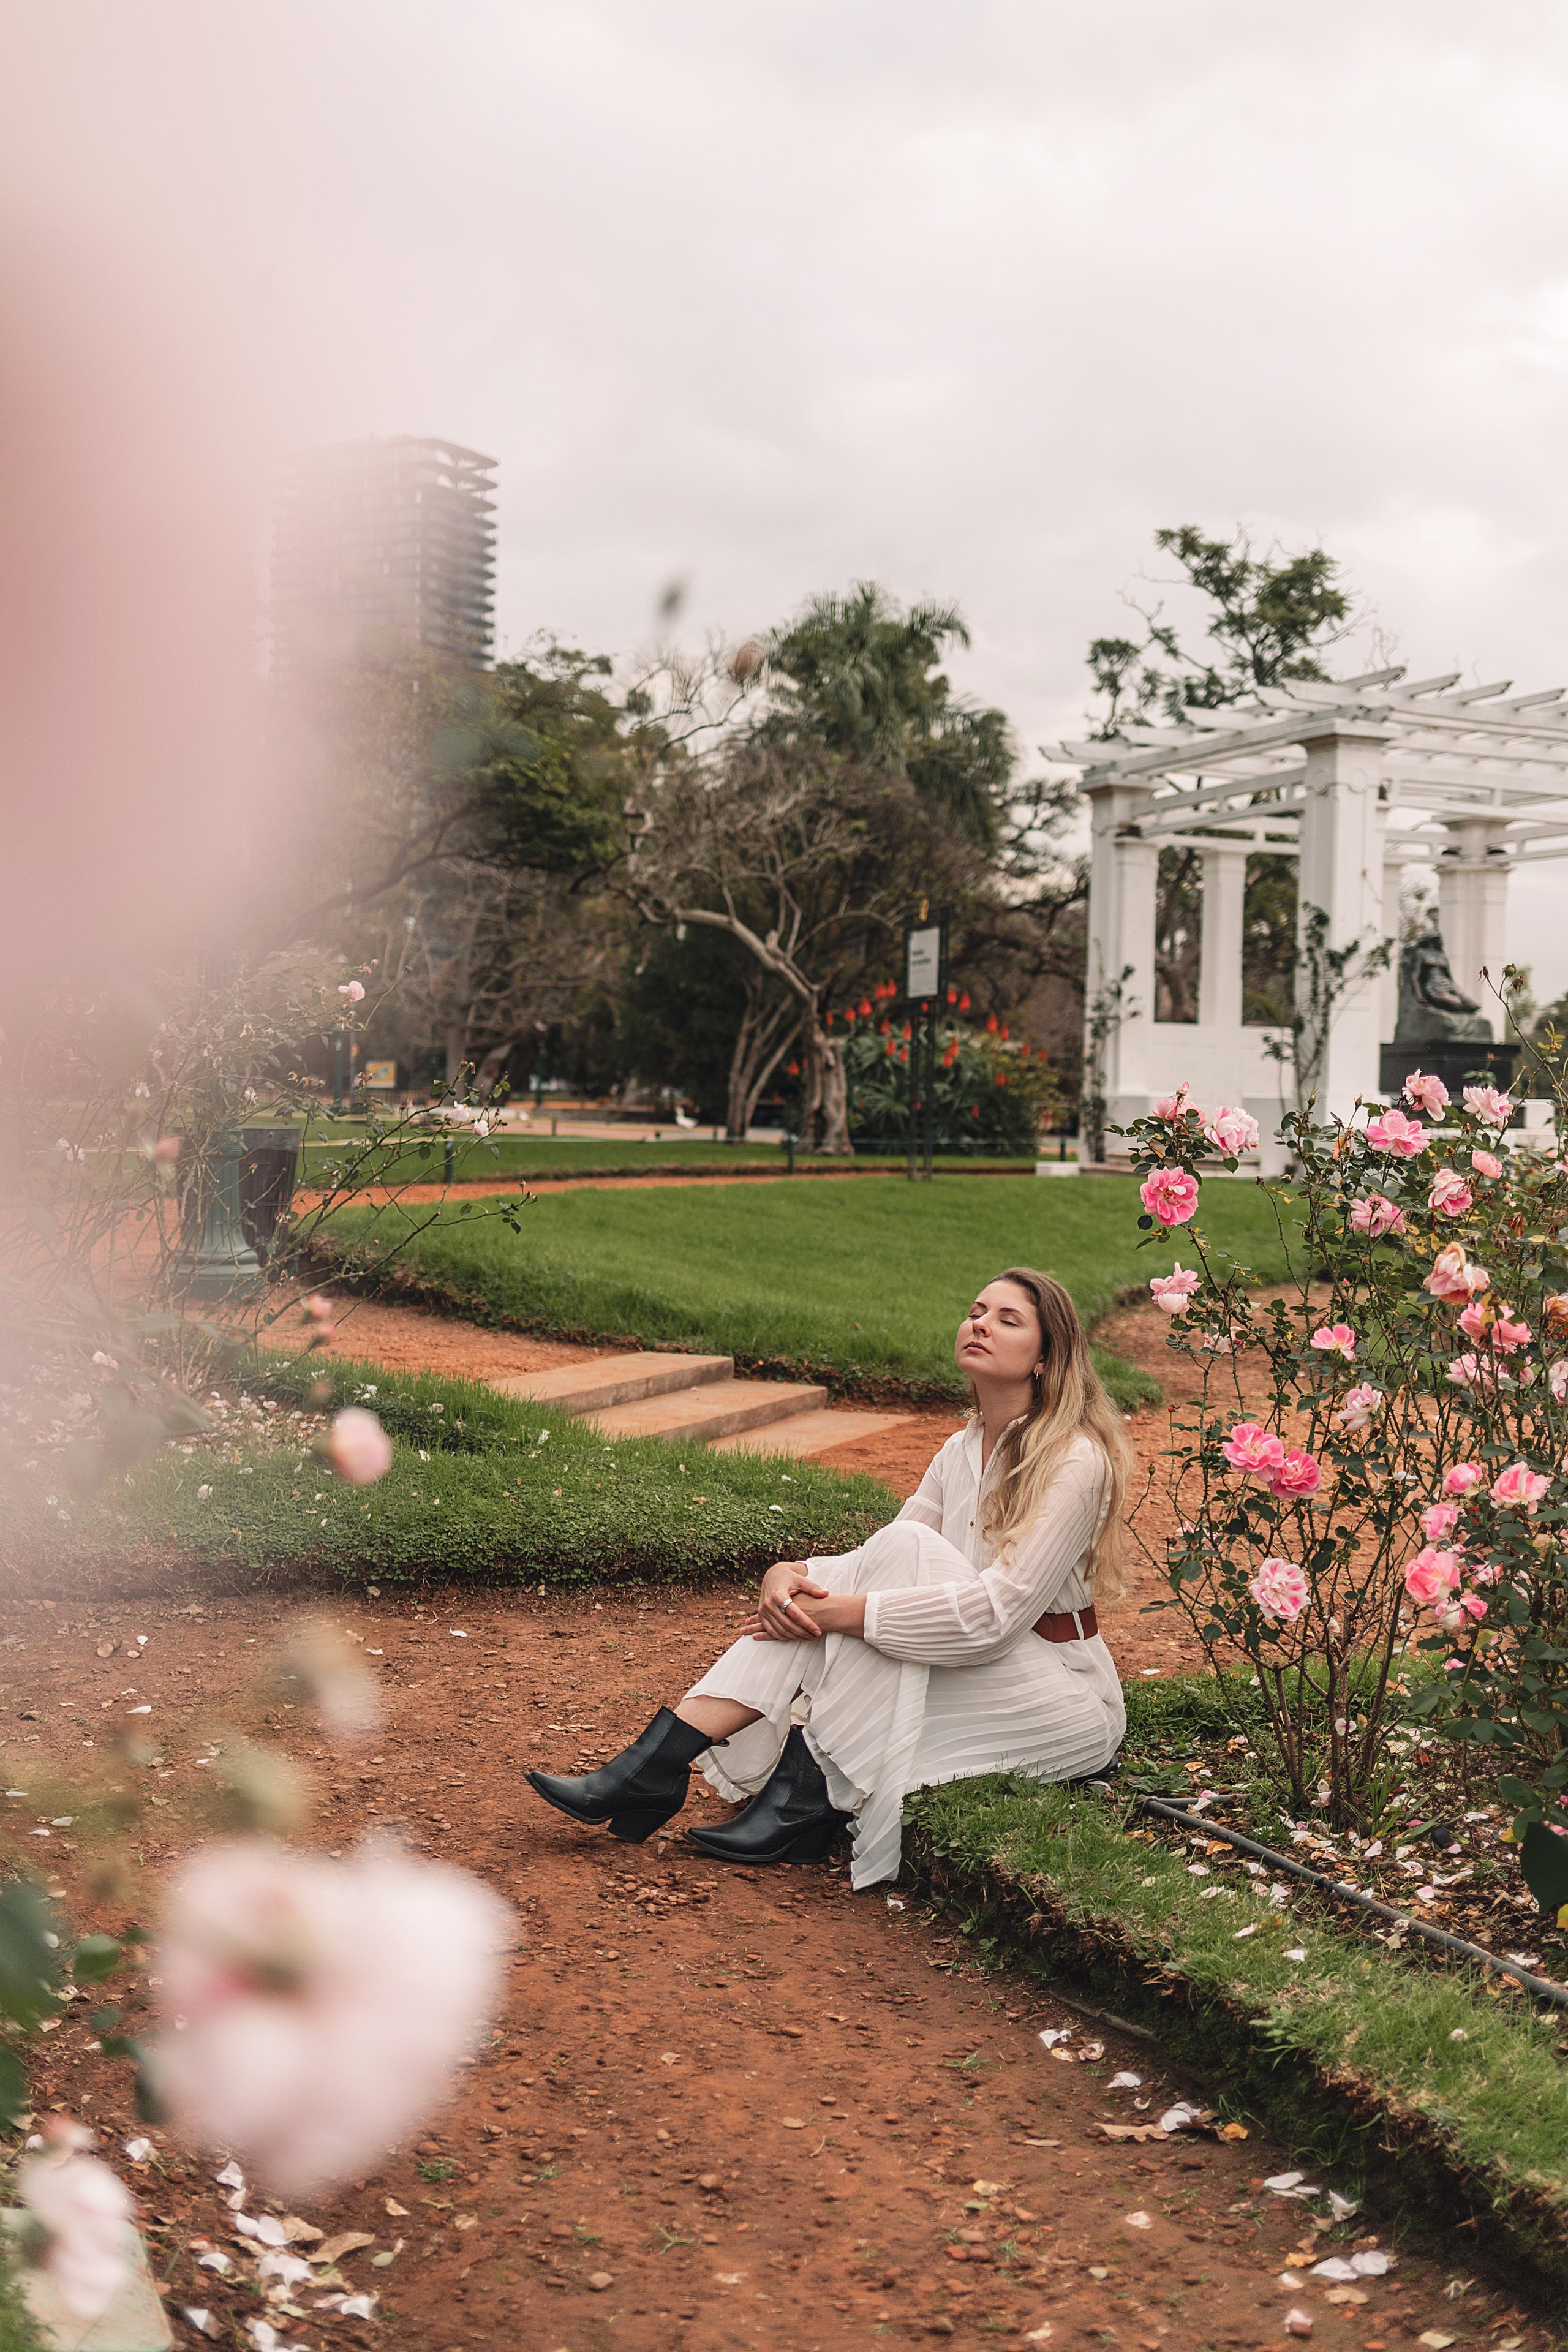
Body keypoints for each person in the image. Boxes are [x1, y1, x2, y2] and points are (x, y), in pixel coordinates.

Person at [526, 1266, 1132, 1890]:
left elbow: (993, 1621)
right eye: (977, 1310)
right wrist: (789, 1576)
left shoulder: (1075, 1459)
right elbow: (884, 1561)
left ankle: (764, 1792)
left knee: (883, 1576)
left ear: (1044, 1358)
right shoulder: (960, 1448)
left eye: (1007, 1320)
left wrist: (834, 1613)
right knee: (887, 1560)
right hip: (974, 1671)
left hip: (1060, 1699)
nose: (979, 1323)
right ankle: (667, 1766)